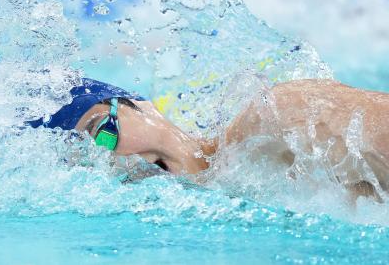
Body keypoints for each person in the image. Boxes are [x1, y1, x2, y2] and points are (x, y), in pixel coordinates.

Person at [27, 78, 389, 199]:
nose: (117, 163)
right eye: (89, 166)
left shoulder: (275, 116)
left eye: (102, 134)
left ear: (142, 107)